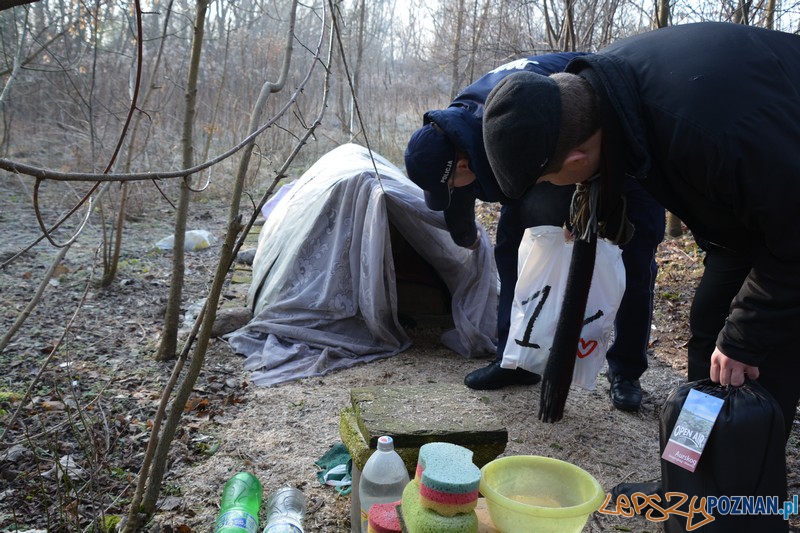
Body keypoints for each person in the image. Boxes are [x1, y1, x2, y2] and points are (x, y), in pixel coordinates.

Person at [481, 21, 800, 522]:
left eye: (548, 177)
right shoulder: (607, 89)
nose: (550, 186)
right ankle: (690, 480)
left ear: (578, 156)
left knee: (763, 359)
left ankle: (740, 503)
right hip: (751, 218)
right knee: (709, 332)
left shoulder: (702, 128)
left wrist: (748, 335)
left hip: (786, 217)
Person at [404, 53, 665, 411]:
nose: (454, 190)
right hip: (542, 155)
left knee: (632, 259)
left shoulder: (501, 122)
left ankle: (626, 371)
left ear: (464, 163)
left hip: (615, 149)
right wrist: (466, 236)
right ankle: (516, 358)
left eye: (451, 183)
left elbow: (569, 150)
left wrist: (575, 214)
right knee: (512, 251)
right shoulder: (455, 129)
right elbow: (459, 195)